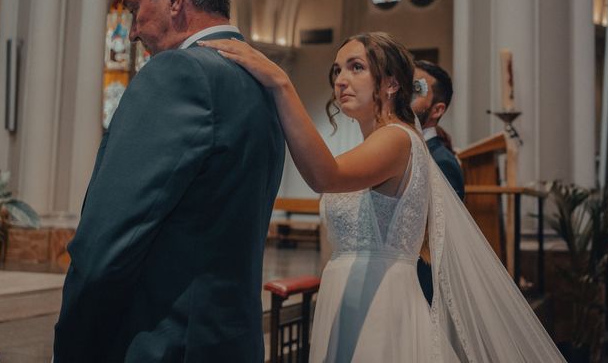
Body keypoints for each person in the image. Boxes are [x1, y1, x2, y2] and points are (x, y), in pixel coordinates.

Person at [203, 32, 565, 362]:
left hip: (381, 304)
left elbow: (323, 175)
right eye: (337, 70)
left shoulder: (397, 139)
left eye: (356, 67)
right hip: (346, 295)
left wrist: (281, 84)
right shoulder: (373, 144)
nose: (340, 79)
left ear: (391, 83)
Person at [53, 0, 285, 362]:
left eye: (134, 8)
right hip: (231, 343)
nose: (133, 29)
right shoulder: (262, 83)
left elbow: (104, 248)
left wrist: (71, 346)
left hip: (164, 344)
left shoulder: (180, 73)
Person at [411, 60, 465, 305]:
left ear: (437, 110)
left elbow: (439, 242)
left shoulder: (442, 161)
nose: (404, 94)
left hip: (420, 288)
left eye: (416, 90)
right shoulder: (400, 149)